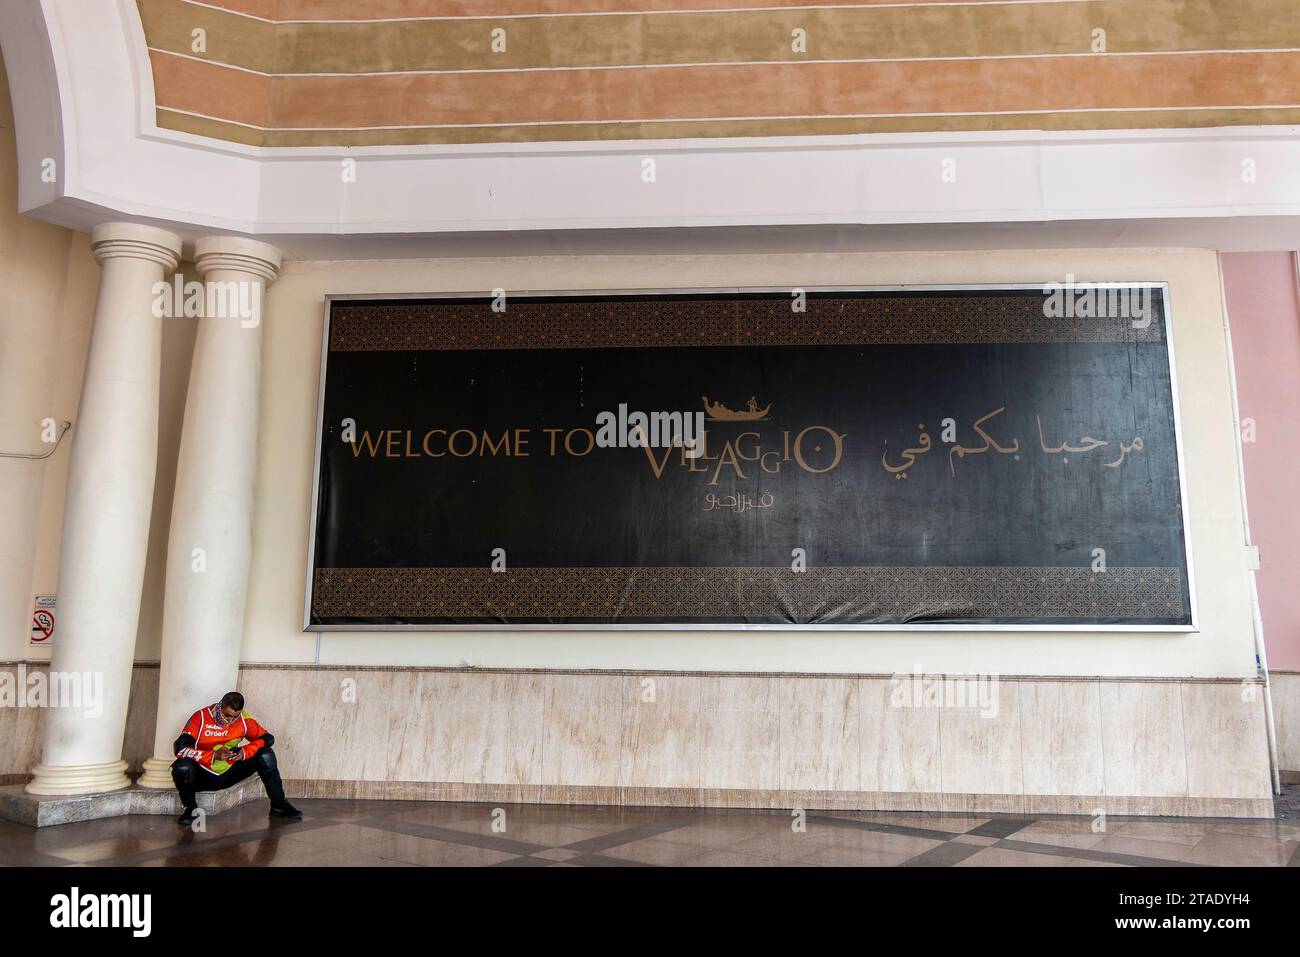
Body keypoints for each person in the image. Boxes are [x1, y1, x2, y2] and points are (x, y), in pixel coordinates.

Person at [170, 691, 302, 827]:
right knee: (181, 767)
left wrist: (245, 751)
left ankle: (279, 807)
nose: (230, 721)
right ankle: (191, 809)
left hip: (230, 771)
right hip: (203, 774)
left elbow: (267, 738)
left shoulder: (244, 719)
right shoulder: (201, 717)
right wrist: (213, 755)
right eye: (227, 715)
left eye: (235, 716)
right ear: (220, 707)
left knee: (266, 755)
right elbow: (180, 748)